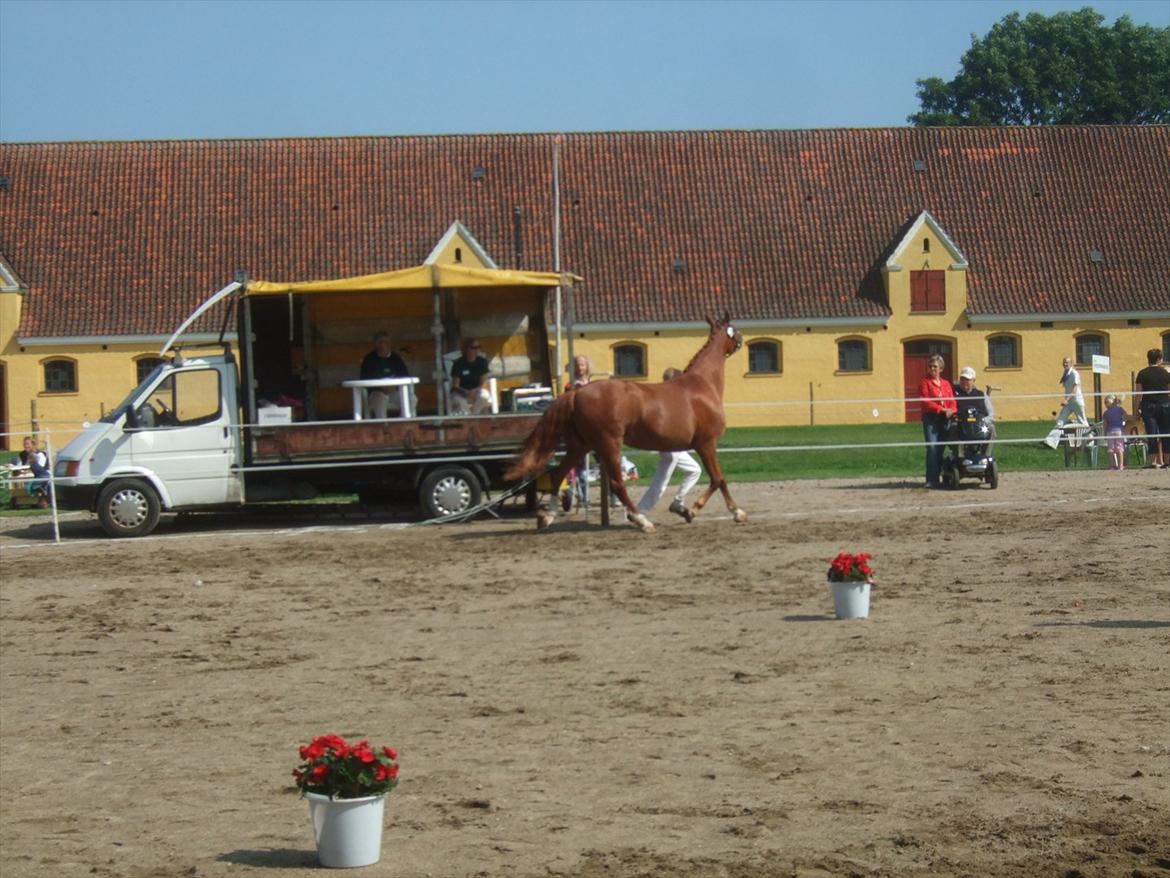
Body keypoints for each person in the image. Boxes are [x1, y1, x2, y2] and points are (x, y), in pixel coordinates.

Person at [636, 368, 703, 517]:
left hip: (675, 446)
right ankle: (640, 510)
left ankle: (678, 502)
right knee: (661, 483)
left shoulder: (670, 396)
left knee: (694, 470)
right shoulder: (669, 398)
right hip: (670, 445)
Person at [918, 354, 956, 488]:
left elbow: (952, 400)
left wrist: (951, 410)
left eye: (935, 366)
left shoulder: (946, 384)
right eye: (930, 366)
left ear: (941, 368)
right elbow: (926, 402)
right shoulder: (924, 382)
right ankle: (932, 479)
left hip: (945, 419)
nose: (932, 368)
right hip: (931, 419)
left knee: (940, 448)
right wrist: (941, 409)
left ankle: (942, 474)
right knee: (932, 447)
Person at [359, 330, 415, 419]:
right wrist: (380, 388)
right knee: (379, 399)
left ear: (390, 344)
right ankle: (383, 426)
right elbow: (364, 379)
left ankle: (403, 423)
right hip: (376, 392)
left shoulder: (396, 358)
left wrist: (395, 387)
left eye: (386, 342)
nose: (383, 345)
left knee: (411, 399)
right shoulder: (369, 359)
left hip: (394, 391)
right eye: (380, 342)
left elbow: (405, 376)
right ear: (376, 345)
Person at [1135, 348, 1170, 468]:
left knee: (1151, 434)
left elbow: (1138, 394)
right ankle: (1167, 461)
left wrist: (1136, 410)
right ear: (1159, 359)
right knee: (1166, 433)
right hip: (1165, 405)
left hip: (1148, 406)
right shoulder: (1166, 373)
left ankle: (1153, 462)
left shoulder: (1142, 373)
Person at [568, 354, 593, 510]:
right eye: (577, 365)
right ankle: (583, 497)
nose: (580, 368)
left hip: (594, 425)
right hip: (580, 427)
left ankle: (612, 495)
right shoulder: (571, 385)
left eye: (582, 365)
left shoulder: (592, 384)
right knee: (581, 465)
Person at [449, 338, 493, 414]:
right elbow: (455, 386)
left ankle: (475, 415)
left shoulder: (482, 362)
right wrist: (466, 392)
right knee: (458, 400)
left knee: (485, 397)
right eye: (473, 348)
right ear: (466, 349)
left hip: (476, 390)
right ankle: (468, 417)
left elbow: (483, 382)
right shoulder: (459, 364)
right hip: (461, 392)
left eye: (478, 347)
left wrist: (475, 390)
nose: (477, 350)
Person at [17, 435, 51, 508]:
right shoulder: (22, 454)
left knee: (32, 485)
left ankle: (43, 500)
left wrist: (28, 470)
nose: (26, 446)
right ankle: (24, 499)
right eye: (24, 444)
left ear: (32, 444)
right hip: (32, 474)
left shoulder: (39, 454)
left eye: (28, 444)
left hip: (44, 474)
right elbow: (20, 464)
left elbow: (41, 467)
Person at [1101, 394, 1128, 471]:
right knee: (1120, 448)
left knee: (1110, 449)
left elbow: (1105, 425)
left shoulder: (1106, 413)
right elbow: (1125, 416)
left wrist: (1105, 434)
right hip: (1119, 431)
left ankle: (1112, 466)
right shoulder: (1120, 409)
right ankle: (1120, 466)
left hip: (1110, 431)